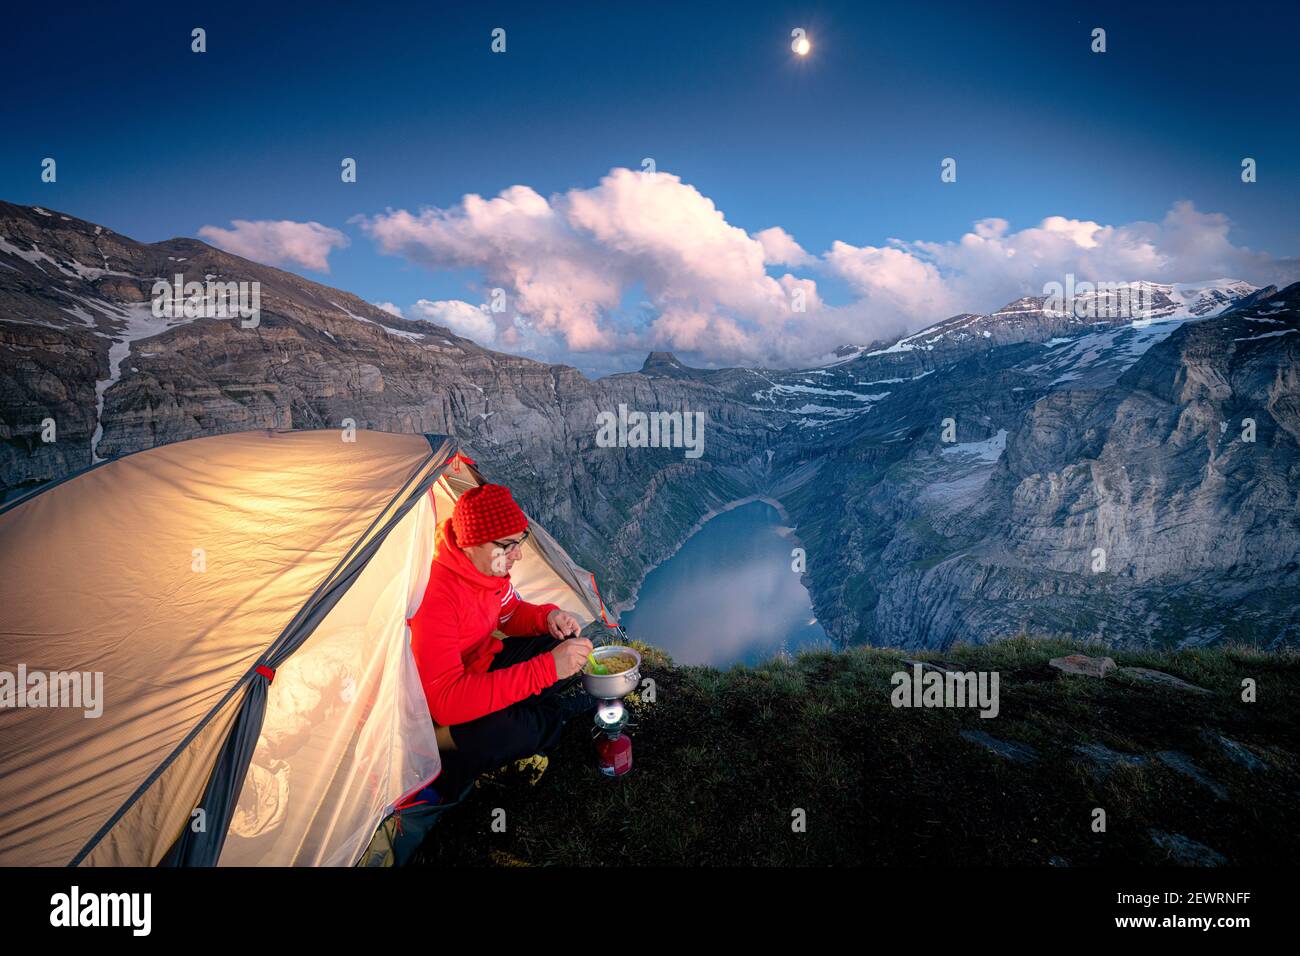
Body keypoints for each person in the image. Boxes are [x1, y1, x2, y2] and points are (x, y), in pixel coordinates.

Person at [407, 482, 597, 801]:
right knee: (500, 732)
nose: (518, 555)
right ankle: (554, 720)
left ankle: (536, 718)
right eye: (508, 545)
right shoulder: (434, 594)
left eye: (519, 542)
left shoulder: (487, 567)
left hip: (480, 665)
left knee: (557, 641)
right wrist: (546, 670)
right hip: (432, 719)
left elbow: (507, 613)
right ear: (471, 544)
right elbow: (446, 701)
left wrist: (547, 618)